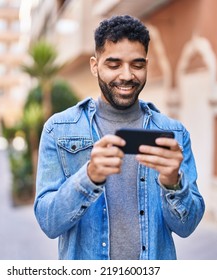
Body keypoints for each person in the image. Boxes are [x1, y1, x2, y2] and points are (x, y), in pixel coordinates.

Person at [34, 15, 205, 260]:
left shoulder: (175, 133)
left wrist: (172, 182)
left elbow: (187, 227)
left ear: (147, 64)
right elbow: (48, 222)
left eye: (137, 65)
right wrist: (89, 177)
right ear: (95, 65)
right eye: (113, 65)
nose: (126, 75)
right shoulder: (59, 129)